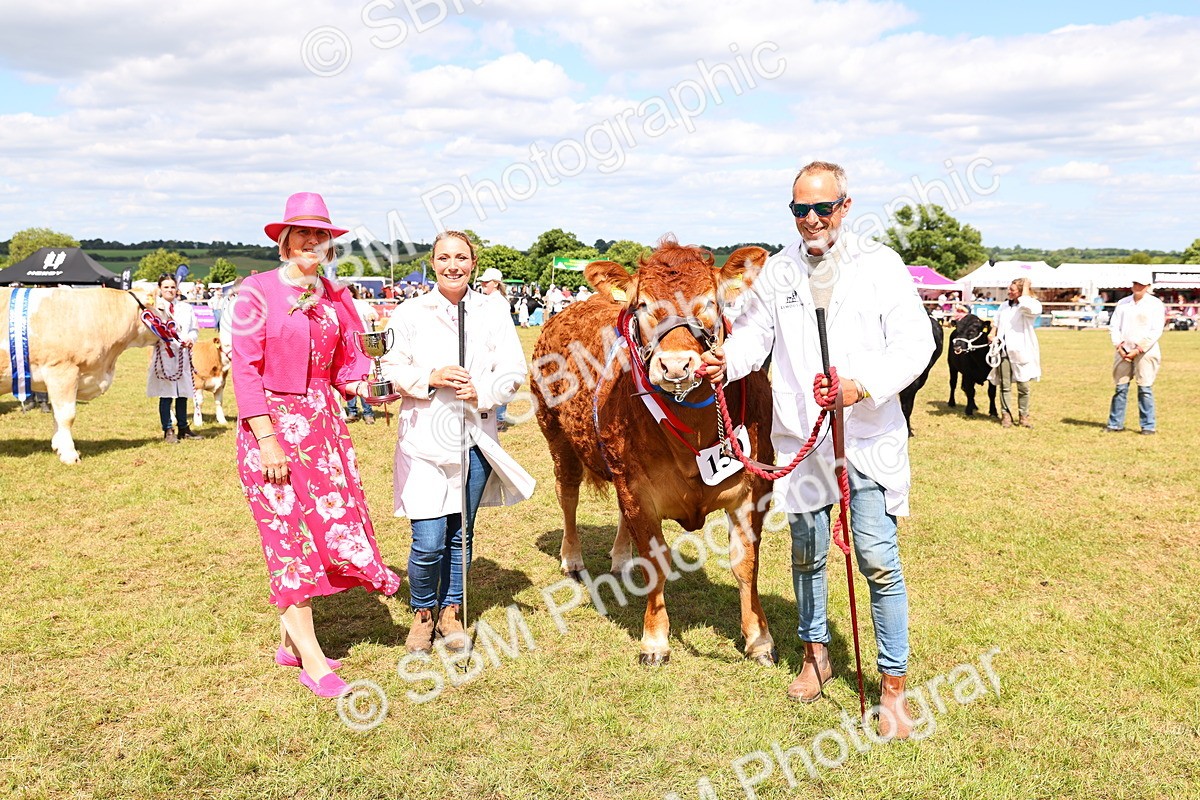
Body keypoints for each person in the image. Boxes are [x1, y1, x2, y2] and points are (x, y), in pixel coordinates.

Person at [701, 161, 933, 739]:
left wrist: (863, 385)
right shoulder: (777, 272)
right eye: (799, 209)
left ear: (845, 208)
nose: (810, 219)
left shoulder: (881, 266)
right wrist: (727, 359)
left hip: (868, 437)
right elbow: (755, 334)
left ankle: (893, 687)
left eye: (820, 208)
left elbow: (916, 343)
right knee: (805, 555)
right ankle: (814, 655)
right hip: (804, 439)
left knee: (878, 562)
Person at [231, 192, 400, 699]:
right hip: (272, 432)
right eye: (302, 233)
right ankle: (312, 660)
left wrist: (379, 387)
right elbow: (243, 369)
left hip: (324, 430)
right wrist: (267, 439)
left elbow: (352, 363)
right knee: (288, 539)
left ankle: (289, 641)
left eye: (320, 235)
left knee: (326, 530)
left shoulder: (337, 295)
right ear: (284, 243)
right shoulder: (254, 292)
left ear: (329, 246)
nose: (312, 241)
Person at [379, 231, 535, 655]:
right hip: (425, 438)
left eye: (461, 257)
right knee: (428, 538)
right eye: (445, 257)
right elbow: (390, 364)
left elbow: (512, 368)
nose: (453, 265)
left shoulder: (492, 309)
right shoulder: (410, 312)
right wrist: (429, 377)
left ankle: (450, 611)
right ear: (433, 263)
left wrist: (483, 391)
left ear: (473, 262)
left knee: (460, 536)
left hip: (473, 439)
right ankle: (422, 612)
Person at [1106, 270, 1165, 434]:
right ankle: (1115, 423)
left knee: (1145, 388)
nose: (1137, 287)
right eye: (1135, 283)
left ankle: (1148, 425)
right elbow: (1114, 326)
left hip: (1146, 351)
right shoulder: (1123, 303)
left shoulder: (1155, 304)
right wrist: (1119, 345)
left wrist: (1139, 348)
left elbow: (1156, 330)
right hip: (1123, 350)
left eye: (1141, 284)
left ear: (1148, 286)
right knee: (1120, 387)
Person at [147, 275, 201, 443]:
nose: (170, 290)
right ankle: (168, 429)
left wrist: (191, 339)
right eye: (166, 287)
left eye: (172, 287)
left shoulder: (185, 308)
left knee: (183, 392)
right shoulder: (154, 310)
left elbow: (194, 329)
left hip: (182, 355)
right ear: (160, 289)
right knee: (166, 393)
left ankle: (183, 428)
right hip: (164, 355)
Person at [988, 277, 1042, 428]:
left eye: (1012, 290)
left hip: (1021, 350)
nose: (1009, 292)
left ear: (1021, 292)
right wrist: (992, 333)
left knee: (1023, 386)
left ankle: (1023, 416)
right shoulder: (1004, 305)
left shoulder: (1031, 305)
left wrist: (1025, 287)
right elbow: (996, 321)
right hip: (1003, 349)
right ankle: (1006, 415)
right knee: (1004, 384)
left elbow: (1027, 305)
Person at [477, 267, 511, 430]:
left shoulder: (496, 302)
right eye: (482, 281)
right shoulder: (492, 300)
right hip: (490, 346)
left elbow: (494, 327)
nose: (483, 284)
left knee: (500, 381)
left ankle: (498, 419)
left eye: (486, 282)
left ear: (496, 284)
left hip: (496, 346)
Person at [343, 284, 379, 425]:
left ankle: (368, 412)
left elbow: (372, 313)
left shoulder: (361, 305)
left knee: (363, 379)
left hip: (362, 347)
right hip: (346, 347)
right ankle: (352, 412)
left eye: (347, 291)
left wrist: (372, 316)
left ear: (352, 292)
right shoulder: (337, 306)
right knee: (349, 380)